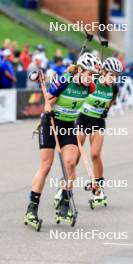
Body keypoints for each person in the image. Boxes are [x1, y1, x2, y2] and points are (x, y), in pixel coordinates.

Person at [24, 53, 101, 229]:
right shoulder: (65, 80)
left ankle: (65, 205)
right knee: (46, 165)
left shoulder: (90, 87)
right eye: (89, 74)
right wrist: (49, 107)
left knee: (70, 164)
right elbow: (48, 102)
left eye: (93, 75)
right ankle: (32, 209)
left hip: (67, 126)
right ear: (80, 70)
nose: (91, 79)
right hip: (50, 124)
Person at [76, 57, 123, 208]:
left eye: (116, 76)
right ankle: (65, 186)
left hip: (97, 121)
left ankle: (99, 189)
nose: (114, 79)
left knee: (95, 154)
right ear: (102, 71)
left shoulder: (114, 88)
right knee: (76, 156)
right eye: (111, 75)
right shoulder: (92, 81)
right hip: (82, 119)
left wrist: (106, 110)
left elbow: (112, 100)